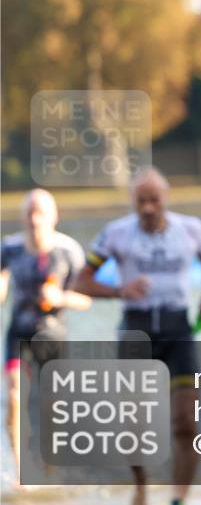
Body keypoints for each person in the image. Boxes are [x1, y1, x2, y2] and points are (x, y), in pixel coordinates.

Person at [73, 167, 201, 505]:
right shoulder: (116, 233)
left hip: (177, 327)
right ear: (133, 202)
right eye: (141, 201)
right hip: (136, 329)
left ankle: (178, 498)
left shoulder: (191, 229)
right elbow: (81, 282)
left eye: (154, 200)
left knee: (185, 422)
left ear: (165, 198)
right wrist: (120, 289)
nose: (149, 208)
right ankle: (141, 486)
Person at [1, 189, 90, 486]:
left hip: (53, 335)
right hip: (19, 333)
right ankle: (21, 472)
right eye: (29, 213)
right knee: (15, 397)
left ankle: (52, 467)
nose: (35, 219)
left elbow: (86, 299)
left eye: (40, 213)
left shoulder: (69, 251)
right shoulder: (10, 248)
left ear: (54, 217)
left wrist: (60, 296)